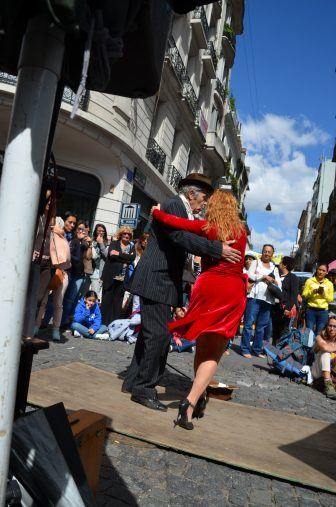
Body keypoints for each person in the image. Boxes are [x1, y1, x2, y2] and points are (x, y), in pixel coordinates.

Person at [122, 174, 241, 412]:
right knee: (158, 336)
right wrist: (217, 249)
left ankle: (133, 381)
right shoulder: (175, 204)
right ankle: (144, 389)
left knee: (149, 335)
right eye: (204, 197)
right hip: (156, 279)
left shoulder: (179, 208)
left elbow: (187, 233)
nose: (205, 203)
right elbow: (179, 237)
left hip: (161, 280)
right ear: (191, 194)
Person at [151, 189, 247, 429]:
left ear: (212, 208)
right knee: (214, 351)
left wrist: (156, 212)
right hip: (230, 289)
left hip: (207, 286)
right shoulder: (242, 232)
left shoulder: (207, 227)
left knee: (203, 346)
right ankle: (190, 402)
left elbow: (175, 222)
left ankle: (199, 394)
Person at [35, 211, 75, 341]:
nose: (72, 225)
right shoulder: (57, 227)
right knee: (43, 300)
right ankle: (36, 325)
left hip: (62, 272)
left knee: (58, 302)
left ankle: (56, 329)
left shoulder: (72, 237)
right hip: (49, 267)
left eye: (74, 223)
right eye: (70, 222)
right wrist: (56, 229)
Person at [240, 244, 281, 358]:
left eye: (269, 252)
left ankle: (257, 350)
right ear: (262, 252)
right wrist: (263, 277)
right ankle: (245, 349)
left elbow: (279, 283)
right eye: (265, 251)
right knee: (248, 324)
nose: (266, 253)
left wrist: (272, 280)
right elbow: (250, 275)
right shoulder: (255, 262)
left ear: (272, 254)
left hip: (268, 300)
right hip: (254, 297)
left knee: (261, 326)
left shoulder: (274, 267)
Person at [100, 226, 136, 325]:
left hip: (123, 279)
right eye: (124, 233)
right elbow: (111, 255)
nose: (126, 235)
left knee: (117, 303)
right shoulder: (114, 243)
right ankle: (103, 323)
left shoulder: (131, 246)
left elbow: (132, 258)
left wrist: (118, 254)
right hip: (110, 277)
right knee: (106, 301)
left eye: (129, 234)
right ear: (121, 234)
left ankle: (113, 325)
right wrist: (125, 258)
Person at [61, 221, 92, 327]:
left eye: (83, 229)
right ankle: (57, 321)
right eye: (79, 229)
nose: (80, 231)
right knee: (63, 298)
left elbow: (88, 257)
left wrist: (90, 244)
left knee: (72, 300)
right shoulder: (72, 240)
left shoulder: (83, 243)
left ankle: (65, 321)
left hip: (79, 275)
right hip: (69, 272)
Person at [272, 256, 299, 342]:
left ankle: (280, 350)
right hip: (274, 306)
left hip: (284, 307)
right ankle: (272, 348)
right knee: (274, 328)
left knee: (283, 330)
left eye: (281, 262)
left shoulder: (293, 277)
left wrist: (288, 308)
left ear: (285, 265)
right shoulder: (276, 275)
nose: (279, 264)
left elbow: (294, 295)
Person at [302, 264, 334, 334]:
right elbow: (304, 295)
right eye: (319, 269)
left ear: (326, 272)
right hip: (311, 310)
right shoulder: (309, 281)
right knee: (309, 332)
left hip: (323, 311)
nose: (321, 272)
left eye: (323, 270)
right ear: (316, 270)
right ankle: (308, 345)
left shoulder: (329, 284)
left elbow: (330, 299)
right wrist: (312, 292)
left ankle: (317, 345)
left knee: (320, 333)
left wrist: (324, 294)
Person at [311, 316, 336, 399]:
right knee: (325, 353)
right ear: (326, 326)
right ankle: (328, 385)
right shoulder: (319, 337)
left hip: (332, 372)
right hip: (317, 371)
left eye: (334, 326)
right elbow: (325, 348)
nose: (331, 329)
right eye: (330, 325)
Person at [90, 223, 109, 298]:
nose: (101, 233)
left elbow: (107, 255)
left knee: (94, 295)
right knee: (84, 294)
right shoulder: (92, 241)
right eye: (99, 231)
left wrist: (101, 243)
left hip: (98, 271)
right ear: (95, 232)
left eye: (102, 231)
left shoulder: (108, 243)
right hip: (88, 270)